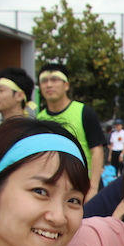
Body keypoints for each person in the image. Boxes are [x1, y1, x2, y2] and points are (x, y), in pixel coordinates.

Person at [36, 63, 106, 197]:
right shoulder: (39, 119)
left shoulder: (84, 112)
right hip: (55, 187)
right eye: (44, 81)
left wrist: (93, 188)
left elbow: (97, 150)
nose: (49, 85)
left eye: (54, 80)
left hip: (85, 185)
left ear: (66, 85)